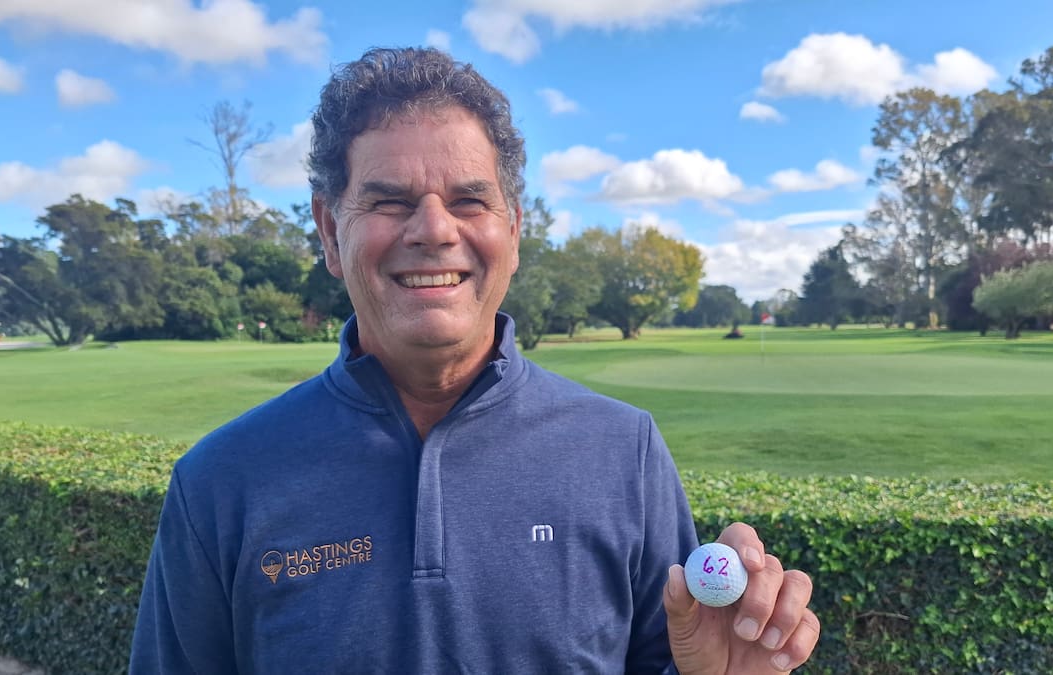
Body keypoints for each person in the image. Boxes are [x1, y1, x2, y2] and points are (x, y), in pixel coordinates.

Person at [129, 46, 819, 674]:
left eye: (468, 199)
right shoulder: (220, 480)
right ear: (329, 232)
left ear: (513, 231)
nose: (433, 229)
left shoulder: (624, 450)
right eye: (390, 200)